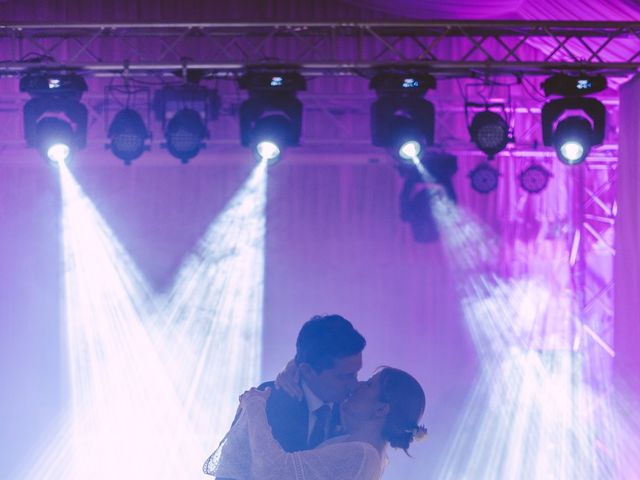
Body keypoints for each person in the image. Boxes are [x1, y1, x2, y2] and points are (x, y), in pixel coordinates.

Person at [204, 314, 367, 477]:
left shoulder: (354, 408)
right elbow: (230, 470)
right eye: (343, 376)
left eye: (356, 373)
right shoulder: (265, 402)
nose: (354, 384)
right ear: (307, 371)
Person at [204, 366, 427, 479]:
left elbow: (272, 471)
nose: (356, 385)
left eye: (369, 384)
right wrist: (296, 368)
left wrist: (254, 405)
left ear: (381, 409)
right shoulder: (360, 446)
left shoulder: (361, 455)